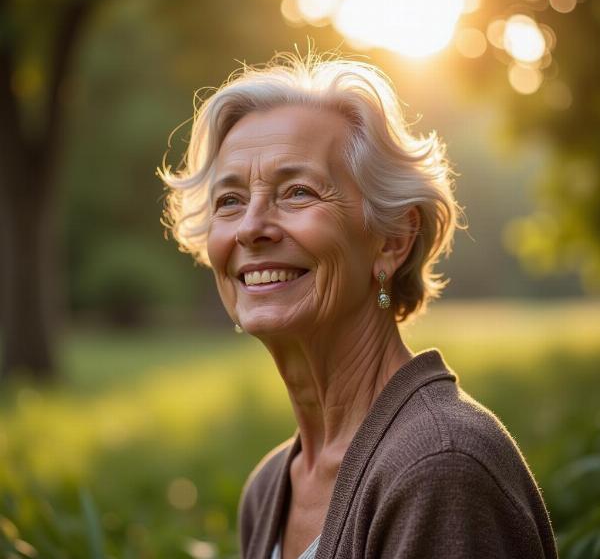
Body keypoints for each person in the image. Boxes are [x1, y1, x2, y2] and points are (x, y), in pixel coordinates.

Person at [157, 52, 558, 559]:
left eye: (297, 192)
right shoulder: (268, 490)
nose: (251, 228)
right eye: (229, 201)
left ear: (392, 239)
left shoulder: (441, 468)